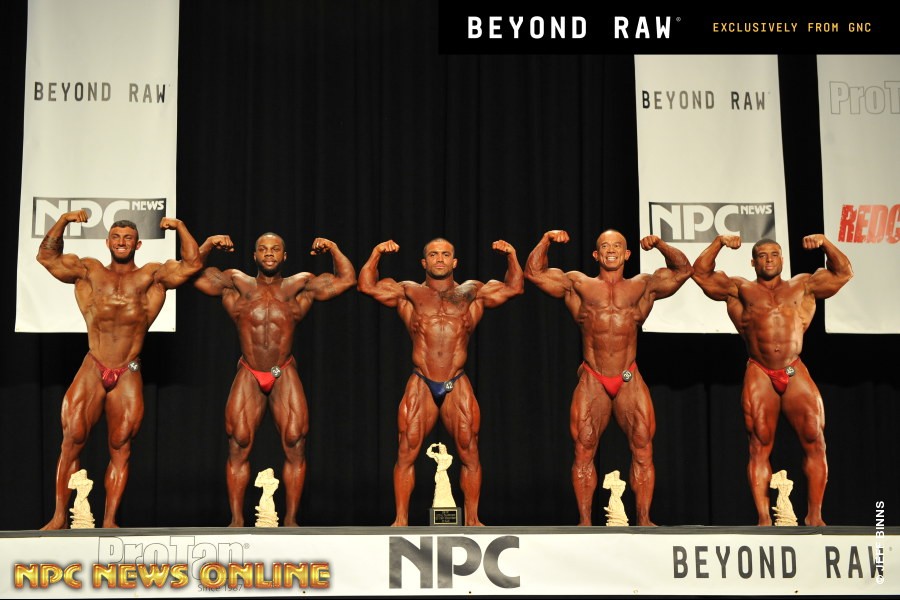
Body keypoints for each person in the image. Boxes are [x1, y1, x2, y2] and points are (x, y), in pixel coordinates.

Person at [36, 209, 223, 529]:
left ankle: (110, 520)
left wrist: (180, 226)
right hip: (94, 364)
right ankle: (58, 517)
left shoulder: (152, 275)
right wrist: (64, 219)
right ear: (107, 242)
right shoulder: (89, 270)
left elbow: (192, 265)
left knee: (121, 446)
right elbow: (46, 257)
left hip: (128, 369)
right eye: (116, 237)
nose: (121, 242)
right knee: (72, 438)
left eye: (128, 238)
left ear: (138, 245)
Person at [525, 229, 692, 526]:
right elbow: (534, 272)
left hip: (629, 377)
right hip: (593, 377)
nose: (611, 250)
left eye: (617, 246)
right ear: (596, 254)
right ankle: (585, 522)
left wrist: (660, 245)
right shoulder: (579, 284)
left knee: (643, 448)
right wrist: (546, 239)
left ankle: (644, 520)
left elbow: (683, 270)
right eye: (604, 246)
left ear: (627, 254)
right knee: (583, 449)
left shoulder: (643, 285)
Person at [358, 238, 524, 526]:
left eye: (446, 254)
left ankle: (473, 520)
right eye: (433, 254)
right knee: (406, 450)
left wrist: (511, 255)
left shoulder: (472, 291)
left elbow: (514, 287)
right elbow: (366, 286)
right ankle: (400, 520)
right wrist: (376, 254)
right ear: (424, 262)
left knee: (470, 450)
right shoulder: (409, 292)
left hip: (455, 380)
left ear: (454, 261)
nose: (439, 259)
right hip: (422, 380)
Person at [194, 233, 356, 527]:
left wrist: (333, 248)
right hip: (249, 369)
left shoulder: (300, 285)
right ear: (254, 256)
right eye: (263, 249)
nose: (269, 253)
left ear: (284, 256)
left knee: (295, 441)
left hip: (284, 370)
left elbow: (346, 280)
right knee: (238, 442)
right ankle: (236, 520)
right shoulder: (236, 283)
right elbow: (192, 273)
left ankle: (291, 520)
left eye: (275, 249)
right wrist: (207, 245)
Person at [691, 234, 852, 526]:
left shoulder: (803, 285)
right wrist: (719, 243)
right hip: (760, 370)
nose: (769, 259)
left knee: (815, 439)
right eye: (762, 255)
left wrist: (826, 243)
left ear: (782, 259)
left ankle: (815, 516)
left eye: (774, 254)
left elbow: (843, 272)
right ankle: (764, 519)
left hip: (793, 367)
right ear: (753, 262)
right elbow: (700, 273)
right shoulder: (740, 288)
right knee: (759, 443)